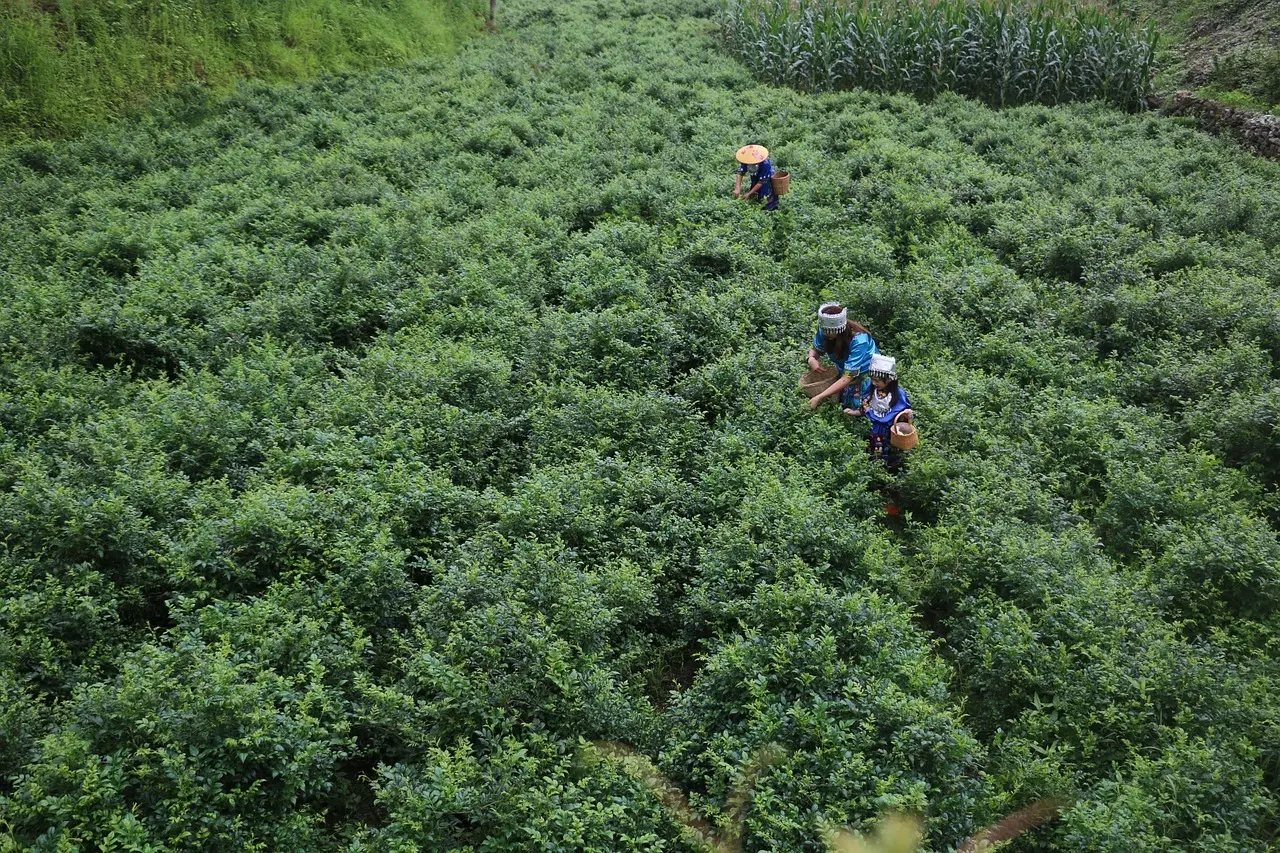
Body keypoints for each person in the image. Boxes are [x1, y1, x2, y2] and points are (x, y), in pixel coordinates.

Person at [806, 302, 878, 411]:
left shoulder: (859, 341)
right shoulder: (825, 331)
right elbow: (816, 349)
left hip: (867, 373)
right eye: (824, 330)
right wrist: (811, 358)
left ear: (839, 330)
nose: (825, 333)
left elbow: (848, 377)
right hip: (844, 371)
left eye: (829, 332)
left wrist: (819, 397)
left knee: (858, 408)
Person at [849, 354, 913, 470]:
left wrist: (907, 415)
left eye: (877, 381)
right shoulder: (872, 390)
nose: (874, 383)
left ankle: (887, 470)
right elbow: (865, 405)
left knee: (887, 452)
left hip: (887, 430)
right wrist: (855, 412)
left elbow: (899, 413)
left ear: (888, 380)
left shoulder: (898, 395)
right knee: (870, 449)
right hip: (871, 428)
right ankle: (871, 469)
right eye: (873, 380)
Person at [733, 144, 778, 211]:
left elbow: (761, 182)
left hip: (766, 178)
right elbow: (740, 173)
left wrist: (749, 193)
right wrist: (738, 187)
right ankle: (757, 201)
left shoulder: (765, 164)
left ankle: (769, 208)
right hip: (755, 176)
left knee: (765, 192)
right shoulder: (746, 160)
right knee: (755, 188)